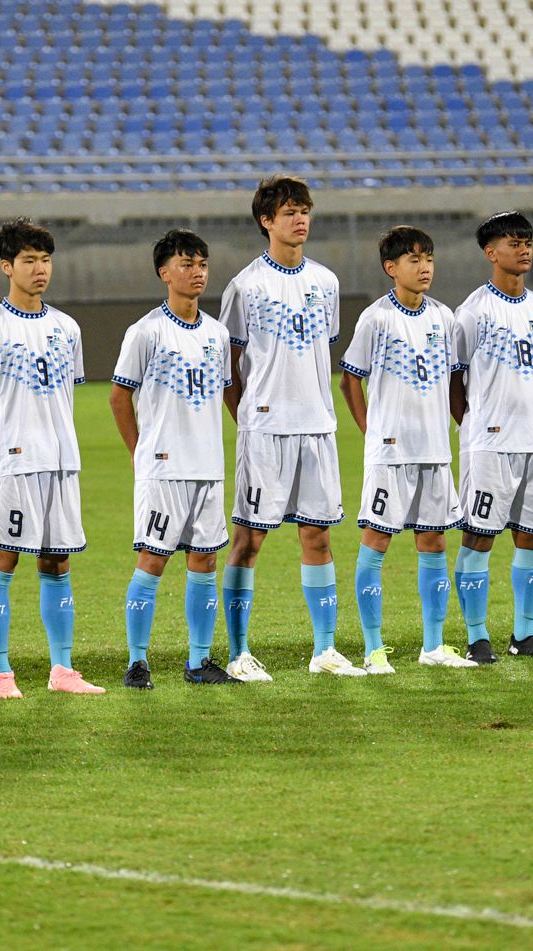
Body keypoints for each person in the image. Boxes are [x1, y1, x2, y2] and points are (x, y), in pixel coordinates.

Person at [0, 217, 105, 697]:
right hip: (14, 465)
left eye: (45, 260)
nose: (40, 269)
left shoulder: (68, 328)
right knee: (2, 559)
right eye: (29, 260)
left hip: (61, 462)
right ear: (7, 266)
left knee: (57, 562)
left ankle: (62, 670)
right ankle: (0, 673)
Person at [220, 176, 353, 678]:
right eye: (289, 212)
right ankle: (238, 653)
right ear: (266, 221)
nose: (300, 220)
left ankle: (325, 650)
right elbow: (228, 367)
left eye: (305, 211)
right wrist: (249, 418)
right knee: (249, 540)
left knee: (318, 537)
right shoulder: (245, 286)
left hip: (317, 427)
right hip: (265, 432)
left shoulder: (327, 282)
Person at [340, 226, 471, 673]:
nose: (425, 267)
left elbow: (453, 380)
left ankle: (433, 645)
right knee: (376, 541)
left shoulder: (444, 317)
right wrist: (371, 431)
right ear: (391, 268)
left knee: (433, 542)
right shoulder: (376, 318)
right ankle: (373, 649)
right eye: (414, 259)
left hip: (434, 451)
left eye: (428, 258)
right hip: (391, 454)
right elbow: (350, 379)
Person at [110, 229, 238, 688]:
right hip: (163, 468)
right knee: (153, 559)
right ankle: (137, 662)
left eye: (202, 264)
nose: (197, 272)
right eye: (186, 264)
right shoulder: (146, 331)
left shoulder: (217, 334)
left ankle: (199, 662)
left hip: (208, 466)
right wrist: (138, 451)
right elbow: (119, 397)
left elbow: (224, 393)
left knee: (204, 562)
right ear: (164, 273)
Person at [449, 211, 533, 662]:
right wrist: (472, 425)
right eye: (513, 243)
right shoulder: (472, 312)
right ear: (490, 252)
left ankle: (525, 635)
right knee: (479, 536)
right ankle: (477, 638)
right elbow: (453, 379)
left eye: (528, 242)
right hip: (490, 446)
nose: (524, 249)